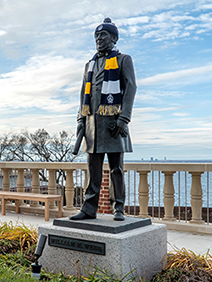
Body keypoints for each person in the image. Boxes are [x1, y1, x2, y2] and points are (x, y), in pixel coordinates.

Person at [70, 17, 136, 221]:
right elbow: (83, 94)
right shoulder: (89, 64)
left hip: (114, 123)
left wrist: (124, 118)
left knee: (116, 168)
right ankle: (89, 208)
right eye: (96, 36)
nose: (99, 39)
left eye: (103, 35)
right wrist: (81, 120)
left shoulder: (123, 59)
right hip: (92, 125)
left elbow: (130, 88)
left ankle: (119, 208)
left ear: (114, 38)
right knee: (93, 169)